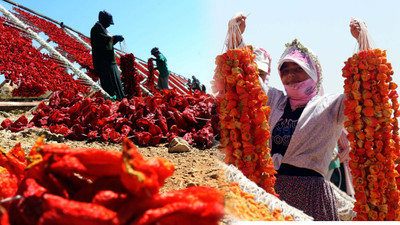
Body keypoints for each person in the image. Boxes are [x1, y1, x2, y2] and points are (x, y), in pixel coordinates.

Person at [229, 15, 366, 221]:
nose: (290, 75)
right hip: (272, 195)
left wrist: (363, 42)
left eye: (298, 69)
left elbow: (362, 91)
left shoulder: (330, 105)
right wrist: (236, 38)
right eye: (285, 70)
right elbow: (248, 78)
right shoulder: (275, 100)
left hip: (311, 197)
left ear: (312, 72)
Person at [90, 10, 126, 101]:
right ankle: (113, 101)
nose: (109, 25)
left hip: (111, 62)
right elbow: (103, 41)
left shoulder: (104, 30)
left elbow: (109, 42)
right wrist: (114, 37)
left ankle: (120, 99)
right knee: (109, 84)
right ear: (102, 20)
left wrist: (115, 39)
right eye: (108, 23)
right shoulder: (95, 30)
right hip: (103, 63)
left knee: (116, 82)